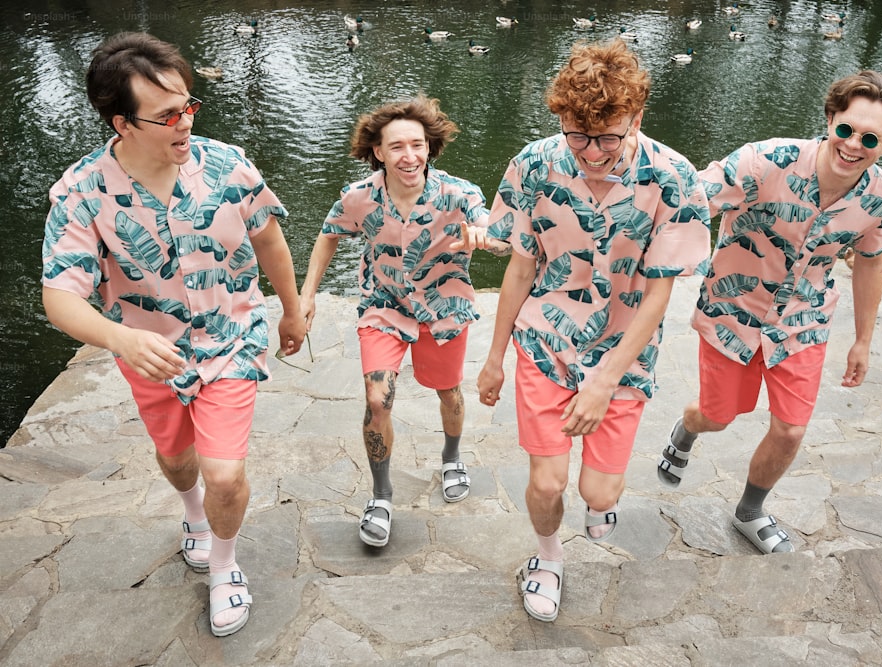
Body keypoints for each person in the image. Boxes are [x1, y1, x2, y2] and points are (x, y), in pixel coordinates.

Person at [41, 32, 306, 637]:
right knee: (176, 458)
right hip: (150, 353)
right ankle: (192, 516)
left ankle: (224, 565)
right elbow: (59, 295)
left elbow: (267, 237)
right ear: (122, 122)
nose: (184, 122)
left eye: (188, 105)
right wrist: (120, 338)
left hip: (231, 340)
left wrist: (291, 309)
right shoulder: (82, 192)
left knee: (224, 473)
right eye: (166, 115)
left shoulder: (228, 165)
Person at [477, 39, 711, 622]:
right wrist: (494, 356)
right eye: (578, 135)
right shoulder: (533, 165)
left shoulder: (673, 177)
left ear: (637, 118)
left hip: (624, 351)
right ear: (560, 117)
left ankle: (598, 502)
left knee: (599, 495)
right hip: (545, 340)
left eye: (610, 135)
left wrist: (605, 380)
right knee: (549, 482)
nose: (593, 152)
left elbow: (660, 292)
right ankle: (548, 559)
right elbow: (521, 266)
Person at [656, 70, 882, 554]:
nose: (853, 145)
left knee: (791, 428)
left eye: (870, 138)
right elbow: (689, 199)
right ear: (829, 119)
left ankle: (750, 511)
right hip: (731, 315)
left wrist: (863, 339)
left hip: (804, 323)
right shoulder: (763, 162)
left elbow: (871, 260)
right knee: (719, 415)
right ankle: (687, 428)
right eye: (845, 130)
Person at [299, 95, 509, 549]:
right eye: (396, 147)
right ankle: (381, 495)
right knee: (377, 399)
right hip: (384, 307)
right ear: (378, 151)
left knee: (448, 392)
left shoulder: (459, 194)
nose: (409, 156)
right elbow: (328, 235)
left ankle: (452, 458)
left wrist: (485, 237)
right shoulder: (359, 198)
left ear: (430, 148)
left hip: (443, 310)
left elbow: (498, 238)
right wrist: (307, 293)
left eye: (417, 145)